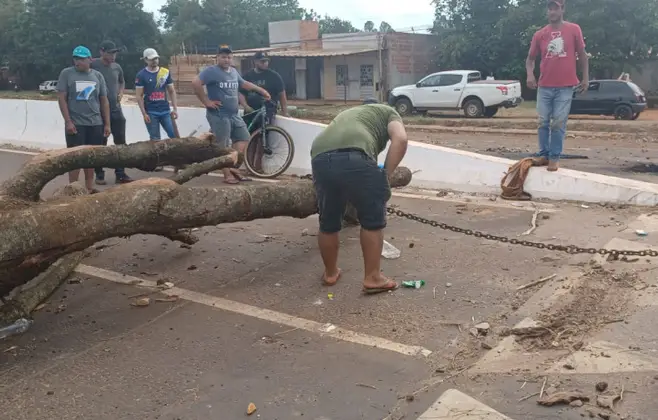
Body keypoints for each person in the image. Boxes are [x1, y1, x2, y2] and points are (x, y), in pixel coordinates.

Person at [310, 102, 408, 295]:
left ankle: (330, 273)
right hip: (356, 153)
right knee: (372, 220)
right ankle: (373, 277)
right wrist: (385, 175)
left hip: (319, 156)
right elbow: (401, 140)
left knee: (328, 220)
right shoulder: (389, 112)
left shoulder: (349, 113)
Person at [192, 44, 271, 184]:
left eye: (229, 57)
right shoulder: (211, 71)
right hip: (219, 114)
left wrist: (261, 91)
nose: (226, 59)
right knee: (223, 144)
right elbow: (196, 82)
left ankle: (233, 168)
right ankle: (227, 175)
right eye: (223, 57)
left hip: (234, 114)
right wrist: (206, 101)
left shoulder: (233, 72)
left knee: (244, 138)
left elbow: (244, 84)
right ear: (217, 58)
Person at [526, 0, 588, 172]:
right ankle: (544, 154)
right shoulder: (540, 34)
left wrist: (585, 79)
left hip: (566, 86)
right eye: (550, 8)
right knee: (542, 122)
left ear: (563, 9)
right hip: (544, 86)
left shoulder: (574, 29)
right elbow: (530, 59)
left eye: (556, 8)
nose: (552, 11)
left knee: (558, 122)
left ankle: (554, 157)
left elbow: (583, 56)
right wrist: (530, 74)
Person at [57, 45, 110, 194]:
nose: (78, 62)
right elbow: (62, 99)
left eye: (81, 59)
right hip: (76, 123)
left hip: (95, 123)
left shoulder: (97, 76)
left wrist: (107, 123)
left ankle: (89, 186)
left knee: (91, 157)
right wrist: (68, 121)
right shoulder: (66, 74)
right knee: (75, 159)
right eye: (76, 58)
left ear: (90, 59)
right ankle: (73, 188)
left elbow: (104, 101)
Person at [91, 40, 133, 184]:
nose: (113, 56)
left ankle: (120, 173)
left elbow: (122, 82)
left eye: (114, 53)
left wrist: (121, 92)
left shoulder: (117, 67)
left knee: (120, 142)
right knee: (99, 143)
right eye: (110, 53)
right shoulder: (93, 65)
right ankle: (99, 173)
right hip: (98, 111)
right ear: (102, 52)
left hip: (115, 109)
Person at [135, 48, 179, 171]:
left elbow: (171, 91)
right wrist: (144, 113)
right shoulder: (141, 75)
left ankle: (178, 160)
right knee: (155, 139)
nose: (154, 61)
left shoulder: (165, 72)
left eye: (156, 58)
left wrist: (175, 108)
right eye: (151, 59)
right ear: (145, 60)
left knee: (173, 136)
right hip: (151, 111)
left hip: (165, 110)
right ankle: (158, 162)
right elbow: (139, 96)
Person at [239, 51, 289, 130]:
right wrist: (245, 106)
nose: (265, 63)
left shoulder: (274, 76)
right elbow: (241, 93)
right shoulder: (247, 76)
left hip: (267, 111)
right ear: (255, 61)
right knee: (249, 135)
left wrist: (285, 111)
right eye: (262, 61)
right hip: (251, 111)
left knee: (264, 135)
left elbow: (282, 94)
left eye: (267, 61)